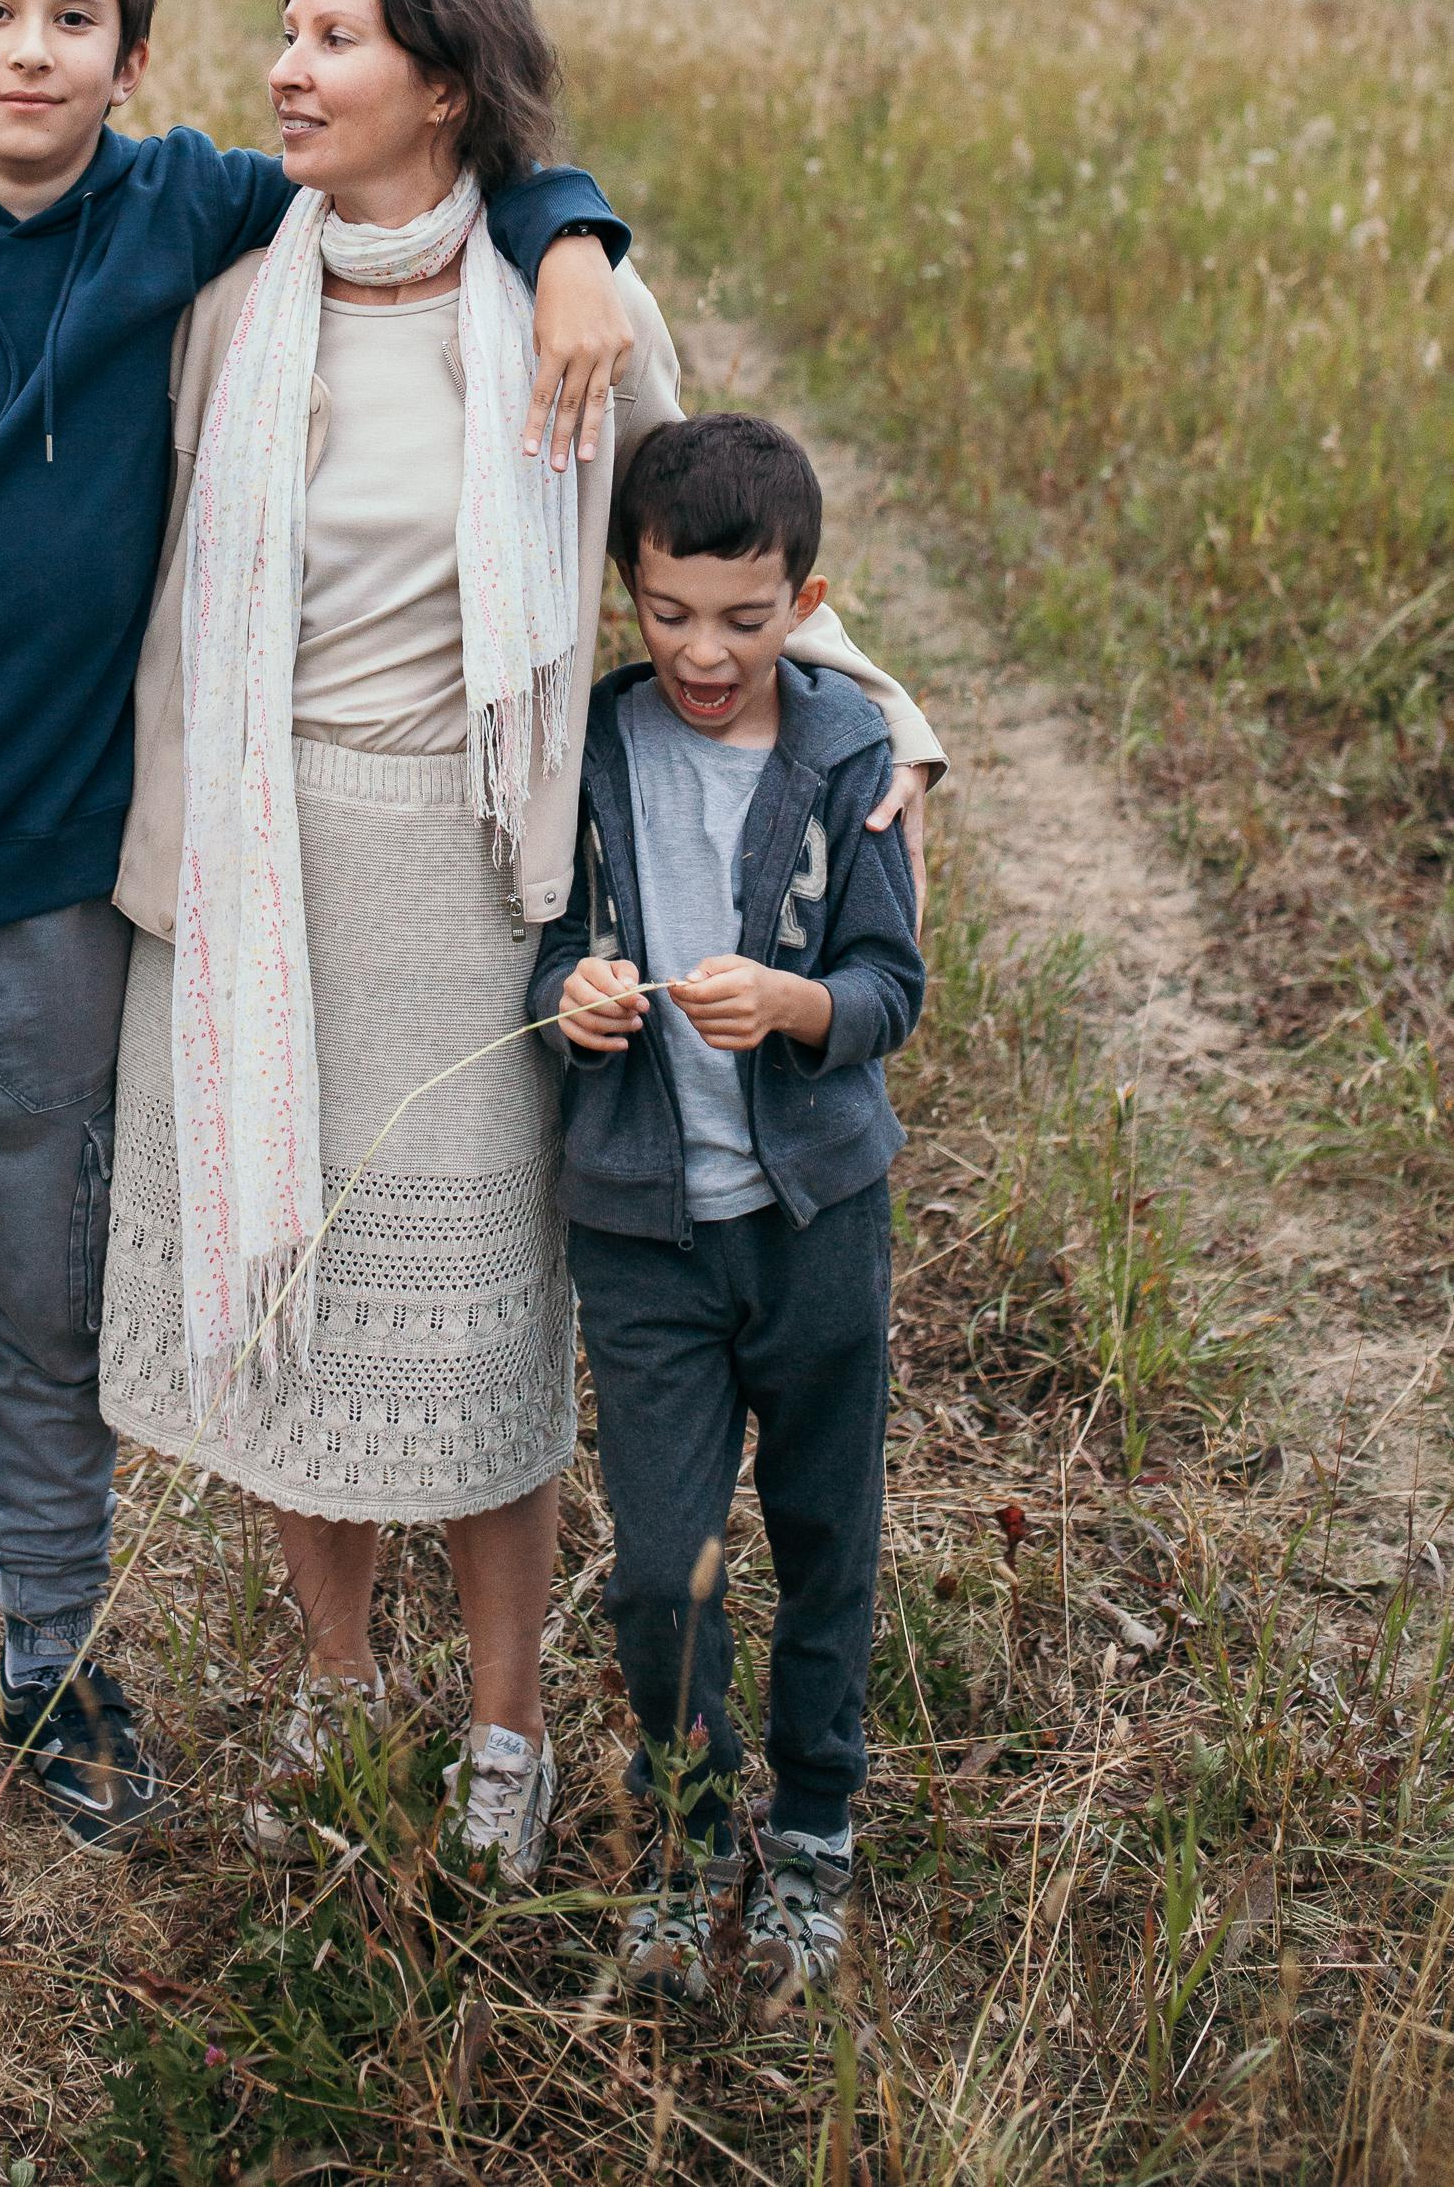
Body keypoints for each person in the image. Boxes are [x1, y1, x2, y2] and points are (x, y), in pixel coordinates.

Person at [0, 0, 636, 1898]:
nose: (31, 51)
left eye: (75, 19)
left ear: (130, 64)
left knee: (159, 1323)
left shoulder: (252, 237)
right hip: (7, 901)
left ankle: (113, 1678)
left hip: (217, 892)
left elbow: (503, 213)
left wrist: (571, 237)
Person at [99, 0, 944, 1886]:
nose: (286, 71)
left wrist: (879, 702)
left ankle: (504, 1728)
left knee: (477, 1342)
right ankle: (331, 1677)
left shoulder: (579, 309)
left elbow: (705, 553)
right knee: (287, 1307)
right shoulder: (236, 299)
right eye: (283, 33)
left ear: (447, 82)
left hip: (480, 880)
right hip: (253, 874)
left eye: (332, 39)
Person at [532, 410, 925, 2003]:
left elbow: (892, 985)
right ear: (626, 589)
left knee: (824, 1532)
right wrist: (576, 997)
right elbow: (541, 947)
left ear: (803, 601)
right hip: (642, 1230)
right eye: (667, 612)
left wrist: (796, 1003)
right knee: (657, 1562)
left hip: (816, 1220)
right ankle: (687, 1830)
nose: (703, 651)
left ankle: (813, 1826)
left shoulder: (844, 755)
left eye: (743, 621)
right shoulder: (592, 750)